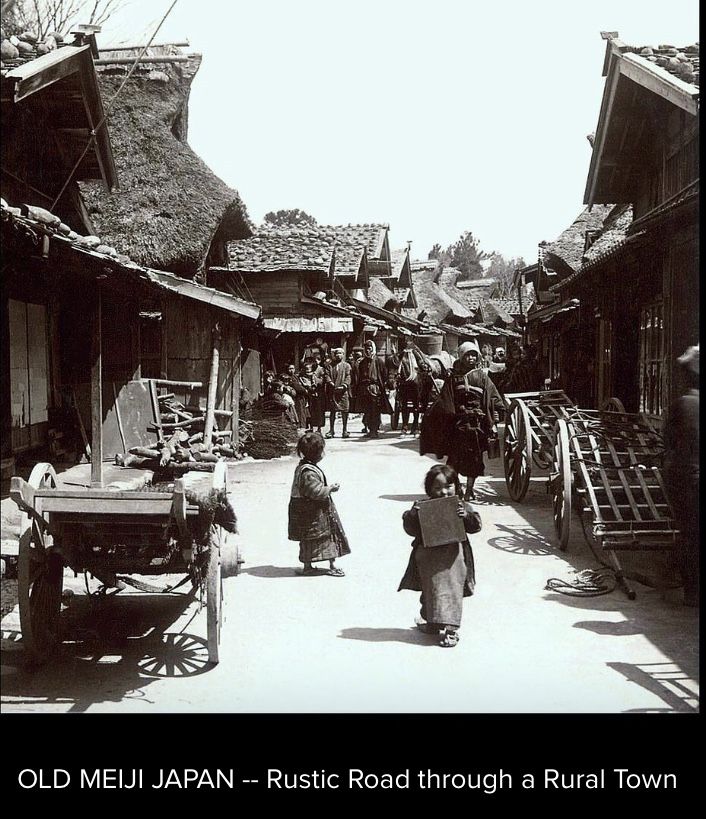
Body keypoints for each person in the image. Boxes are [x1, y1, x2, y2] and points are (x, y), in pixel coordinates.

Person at [397, 464, 481, 648]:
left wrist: (466, 516)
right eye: (437, 488)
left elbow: (476, 526)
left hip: (453, 560)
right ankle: (432, 623)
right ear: (429, 489)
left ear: (456, 486)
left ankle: (451, 630)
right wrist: (412, 515)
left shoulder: (461, 506)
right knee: (431, 590)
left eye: (448, 486)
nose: (443, 491)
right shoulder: (423, 507)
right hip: (428, 559)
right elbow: (410, 530)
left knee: (451, 592)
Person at [420, 339, 505, 501]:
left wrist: (496, 414)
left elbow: (493, 396)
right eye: (468, 355)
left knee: (475, 461)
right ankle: (457, 487)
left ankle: (469, 490)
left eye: (474, 355)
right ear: (461, 357)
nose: (471, 358)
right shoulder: (453, 378)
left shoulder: (482, 377)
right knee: (454, 461)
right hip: (458, 426)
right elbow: (446, 400)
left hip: (477, 425)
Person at [663, 345, 699, 607]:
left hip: (685, 478)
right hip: (689, 476)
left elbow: (668, 442)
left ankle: (692, 591)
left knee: (688, 533)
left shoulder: (682, 404)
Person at [288, 431, 350, 576]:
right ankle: (326, 566)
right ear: (317, 454)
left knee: (313, 538)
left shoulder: (305, 467)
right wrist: (330, 489)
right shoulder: (308, 472)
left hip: (308, 511)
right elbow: (315, 491)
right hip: (311, 512)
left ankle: (310, 565)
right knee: (319, 536)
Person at [356, 339, 392, 438]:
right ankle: (369, 429)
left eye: (369, 348)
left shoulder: (379, 361)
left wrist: (384, 387)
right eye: (366, 349)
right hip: (364, 389)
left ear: (373, 349)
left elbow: (384, 375)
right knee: (367, 410)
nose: (367, 351)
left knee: (375, 410)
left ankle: (374, 430)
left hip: (375, 388)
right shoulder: (362, 362)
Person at [395, 338, 427, 434]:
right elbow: (395, 363)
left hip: (415, 382)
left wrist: (424, 366)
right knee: (404, 404)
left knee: (416, 404)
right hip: (404, 383)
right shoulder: (400, 355)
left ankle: (415, 426)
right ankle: (404, 427)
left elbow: (421, 362)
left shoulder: (415, 353)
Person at [324, 347, 352, 438]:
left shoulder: (347, 366)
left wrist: (344, 385)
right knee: (333, 412)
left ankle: (345, 430)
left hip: (343, 392)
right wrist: (331, 383)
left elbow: (348, 377)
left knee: (345, 411)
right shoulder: (329, 366)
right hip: (333, 391)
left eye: (340, 353)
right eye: (337, 353)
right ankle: (331, 430)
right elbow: (327, 375)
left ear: (343, 355)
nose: (338, 355)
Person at [299, 357, 325, 433]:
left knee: (319, 411)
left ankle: (319, 427)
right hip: (308, 395)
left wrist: (315, 383)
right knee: (310, 411)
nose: (308, 369)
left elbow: (321, 382)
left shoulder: (318, 372)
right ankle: (311, 427)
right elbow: (302, 382)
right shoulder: (302, 375)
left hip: (317, 394)